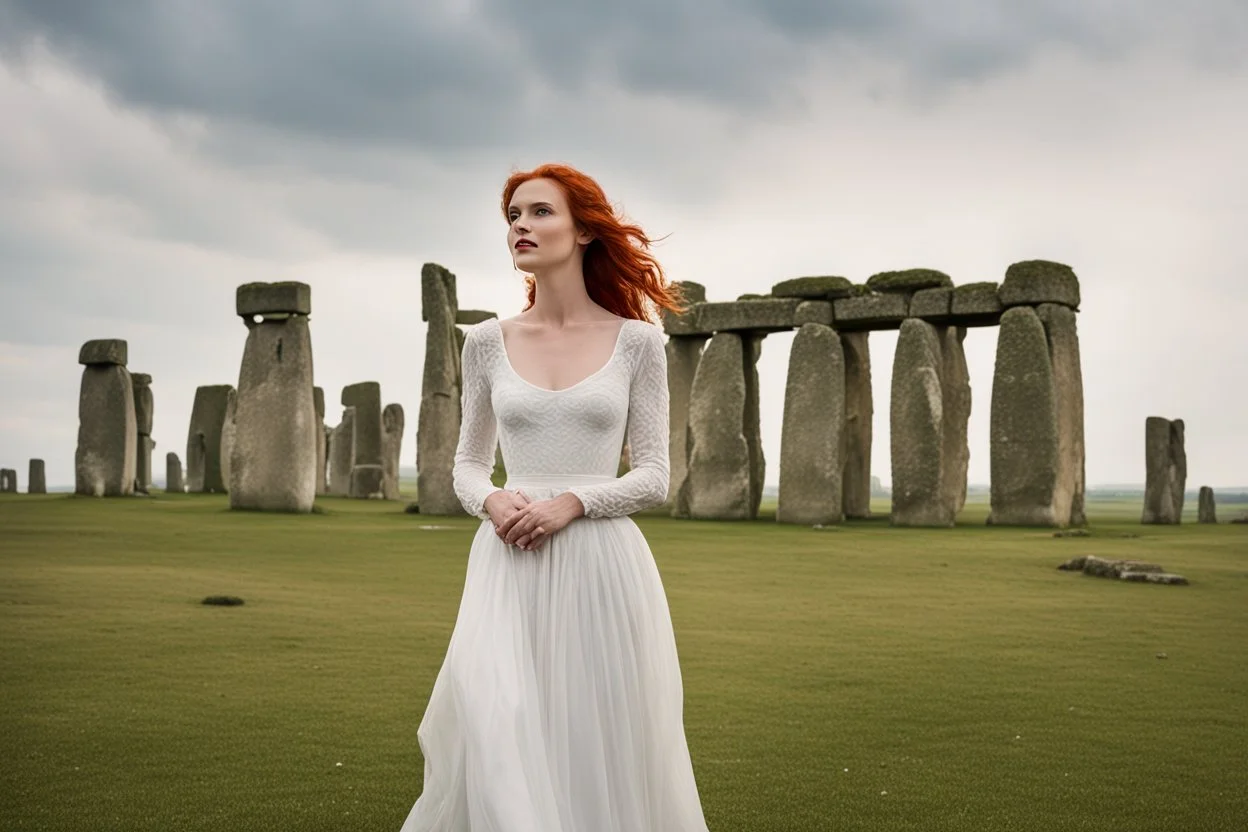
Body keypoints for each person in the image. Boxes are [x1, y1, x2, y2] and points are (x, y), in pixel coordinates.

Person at [399, 163, 711, 831]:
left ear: (585, 231)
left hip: (601, 566)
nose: (520, 225)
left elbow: (655, 474)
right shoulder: (485, 342)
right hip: (508, 566)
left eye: (539, 211)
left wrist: (572, 503)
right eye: (513, 214)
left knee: (597, 736)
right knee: (498, 726)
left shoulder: (638, 342)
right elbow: (468, 465)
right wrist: (492, 502)